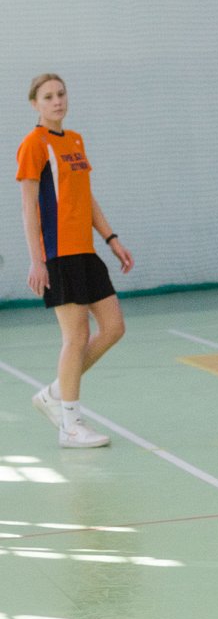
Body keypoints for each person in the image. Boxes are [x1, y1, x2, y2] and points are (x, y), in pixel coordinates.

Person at [17, 74, 134, 449]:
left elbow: (87, 197)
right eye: (48, 96)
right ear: (35, 104)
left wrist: (111, 238)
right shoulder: (34, 144)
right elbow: (29, 208)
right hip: (58, 255)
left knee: (113, 327)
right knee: (76, 337)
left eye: (61, 94)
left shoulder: (75, 141)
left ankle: (54, 393)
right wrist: (37, 260)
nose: (57, 101)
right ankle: (70, 425)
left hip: (86, 251)